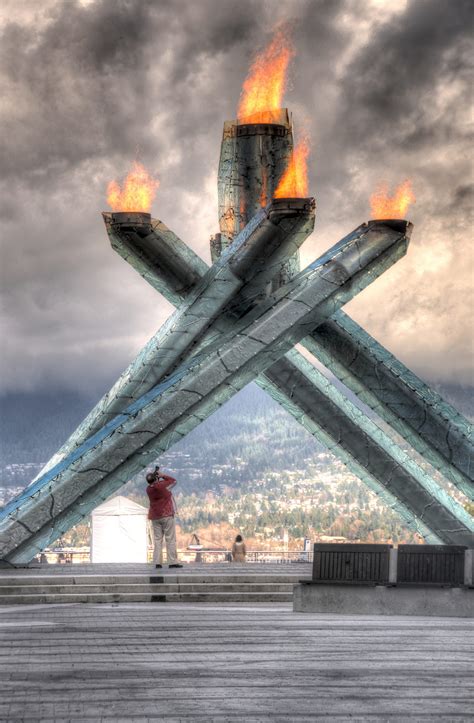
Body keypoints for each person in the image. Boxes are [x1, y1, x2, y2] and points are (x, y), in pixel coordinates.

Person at [146, 466, 183, 569]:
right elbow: (173, 481)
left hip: (154, 516)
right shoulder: (162, 486)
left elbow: (154, 484)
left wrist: (156, 477)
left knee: (157, 540)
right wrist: (162, 475)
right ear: (157, 479)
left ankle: (157, 562)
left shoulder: (148, 489)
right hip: (166, 515)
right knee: (170, 539)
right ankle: (172, 562)